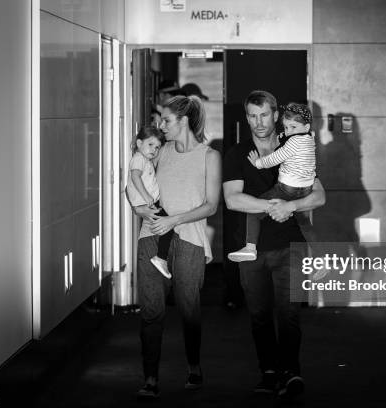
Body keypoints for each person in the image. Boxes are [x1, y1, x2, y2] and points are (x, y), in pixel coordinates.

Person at [223, 90, 326, 398]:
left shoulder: (294, 146)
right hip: (250, 249)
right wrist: (273, 206)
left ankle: (291, 372)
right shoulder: (237, 155)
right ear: (247, 117)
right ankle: (268, 371)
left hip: (289, 245)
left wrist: (290, 207)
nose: (258, 122)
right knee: (259, 315)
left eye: (264, 115)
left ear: (276, 115)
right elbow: (232, 200)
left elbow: (319, 195)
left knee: (289, 313)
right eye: (252, 116)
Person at [133, 95, 221, 399]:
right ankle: (150, 378)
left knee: (188, 308)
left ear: (183, 120)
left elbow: (211, 206)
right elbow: (140, 184)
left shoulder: (209, 156)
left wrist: (176, 220)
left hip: (189, 239)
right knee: (151, 311)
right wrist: (141, 208)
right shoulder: (160, 152)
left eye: (166, 120)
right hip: (152, 236)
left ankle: (194, 368)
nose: (161, 126)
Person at [228, 102, 316, 262]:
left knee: (253, 213)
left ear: (306, 126)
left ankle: (250, 248)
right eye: (286, 127)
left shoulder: (293, 143)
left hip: (288, 188)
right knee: (304, 223)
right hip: (306, 188)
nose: (288, 131)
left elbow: (276, 158)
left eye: (293, 127)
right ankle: (321, 257)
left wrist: (258, 163)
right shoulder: (309, 139)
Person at [126, 126, 173, 279]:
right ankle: (160, 258)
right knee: (168, 227)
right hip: (148, 204)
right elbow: (135, 177)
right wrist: (146, 197)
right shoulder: (138, 158)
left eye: (157, 147)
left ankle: (161, 258)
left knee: (164, 227)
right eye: (150, 145)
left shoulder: (145, 159)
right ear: (139, 143)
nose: (154, 150)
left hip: (149, 204)